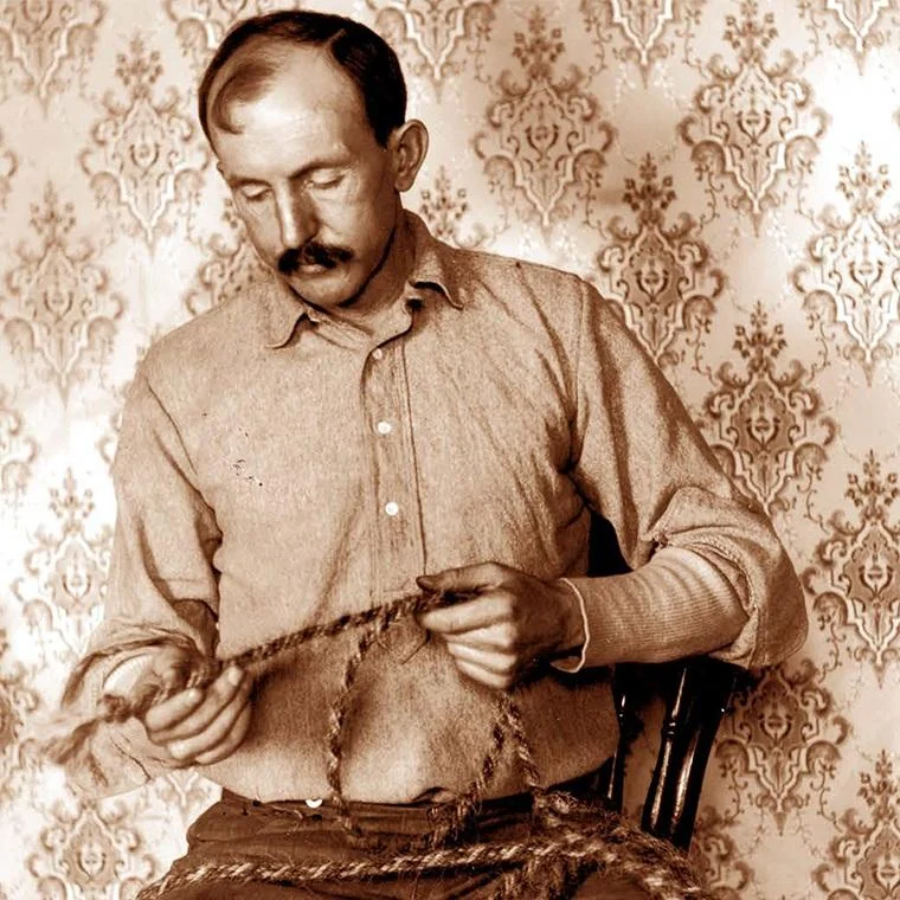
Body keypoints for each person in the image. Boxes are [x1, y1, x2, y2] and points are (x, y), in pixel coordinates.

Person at [61, 10, 807, 898]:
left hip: (539, 841)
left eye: (324, 177)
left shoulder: (554, 324)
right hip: (278, 855)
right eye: (253, 193)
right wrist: (164, 699)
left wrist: (568, 618)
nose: (292, 228)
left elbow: (752, 579)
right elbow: (140, 642)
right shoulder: (181, 381)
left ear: (403, 156)